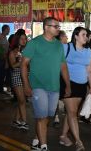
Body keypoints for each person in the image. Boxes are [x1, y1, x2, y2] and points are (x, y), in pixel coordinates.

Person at [21, 17, 70, 151]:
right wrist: (26, 85)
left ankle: (37, 140)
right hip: (38, 86)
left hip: (54, 87)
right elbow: (24, 64)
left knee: (47, 116)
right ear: (46, 27)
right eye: (56, 26)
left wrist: (68, 85)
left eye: (59, 26)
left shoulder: (59, 45)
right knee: (42, 117)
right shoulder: (34, 43)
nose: (58, 29)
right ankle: (43, 146)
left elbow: (63, 66)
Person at [59, 27, 91, 151]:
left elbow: (89, 70)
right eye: (84, 34)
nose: (86, 37)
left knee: (71, 113)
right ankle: (78, 142)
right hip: (68, 84)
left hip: (81, 85)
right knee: (72, 113)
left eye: (87, 35)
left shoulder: (88, 51)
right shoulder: (66, 48)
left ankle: (63, 135)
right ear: (76, 36)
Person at [9, 32, 28, 130]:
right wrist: (21, 61)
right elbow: (12, 65)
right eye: (22, 39)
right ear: (17, 40)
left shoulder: (28, 50)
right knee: (22, 100)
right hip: (17, 75)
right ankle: (24, 122)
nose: (24, 40)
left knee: (22, 100)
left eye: (25, 38)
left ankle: (16, 120)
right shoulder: (13, 52)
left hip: (26, 75)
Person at [53, 30, 69, 125]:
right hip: (63, 74)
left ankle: (56, 116)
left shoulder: (55, 47)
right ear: (61, 37)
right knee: (66, 96)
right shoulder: (67, 48)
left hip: (56, 74)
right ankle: (68, 115)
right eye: (65, 36)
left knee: (56, 96)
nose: (67, 38)